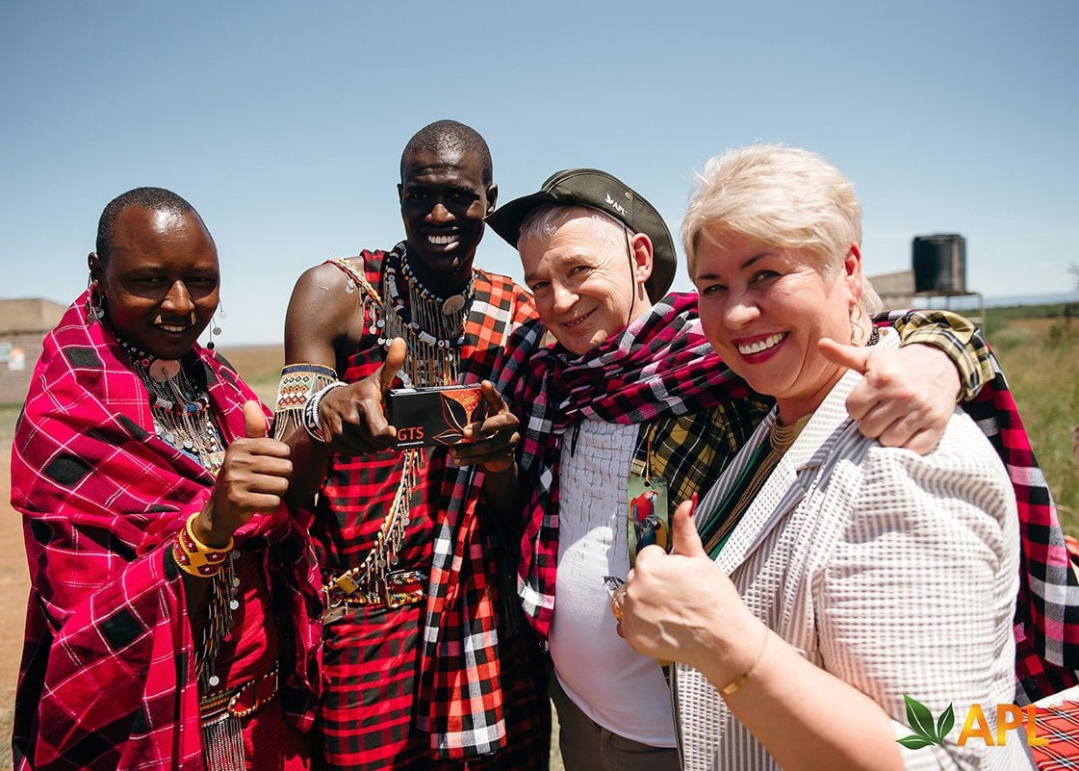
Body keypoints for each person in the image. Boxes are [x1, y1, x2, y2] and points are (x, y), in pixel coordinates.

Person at [484, 168, 995, 770]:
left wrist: (937, 354)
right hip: (578, 709)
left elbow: (858, 337)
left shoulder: (720, 363)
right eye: (540, 283)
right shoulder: (548, 380)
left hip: (688, 732)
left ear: (640, 258)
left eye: (578, 271)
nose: (560, 300)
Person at [617, 144, 1036, 769]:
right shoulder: (782, 415)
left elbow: (949, 757)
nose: (736, 312)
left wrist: (724, 643)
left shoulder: (906, 454)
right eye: (713, 286)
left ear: (849, 271)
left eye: (766, 274)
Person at [10, 187, 320, 770]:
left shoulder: (215, 380)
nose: (180, 304)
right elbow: (88, 624)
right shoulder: (69, 408)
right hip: (155, 726)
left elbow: (279, 516)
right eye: (149, 281)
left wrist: (324, 428)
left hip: (264, 716)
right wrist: (210, 527)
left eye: (201, 282)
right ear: (97, 273)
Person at [277, 120, 548, 769]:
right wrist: (324, 413)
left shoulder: (519, 316)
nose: (438, 215)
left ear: (489, 199)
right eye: (420, 196)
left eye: (458, 196)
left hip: (484, 617)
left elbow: (521, 513)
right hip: (369, 616)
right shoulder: (335, 292)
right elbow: (289, 470)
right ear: (399, 197)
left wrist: (500, 463)